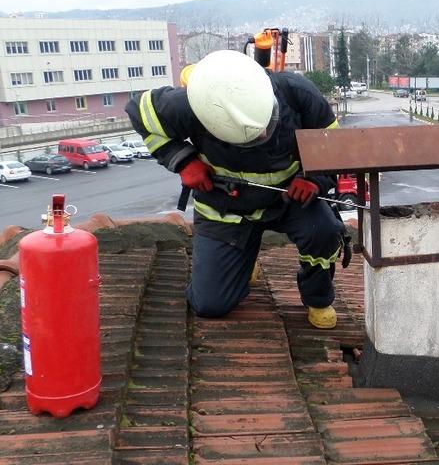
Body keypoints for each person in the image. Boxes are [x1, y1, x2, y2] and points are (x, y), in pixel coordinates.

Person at [125, 50, 348, 329]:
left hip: (288, 200)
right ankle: (243, 260)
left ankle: (317, 298)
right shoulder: (192, 103)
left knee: (324, 230)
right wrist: (183, 161)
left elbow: (335, 146)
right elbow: (139, 112)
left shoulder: (298, 93)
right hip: (225, 207)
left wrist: (315, 178)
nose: (263, 136)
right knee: (210, 305)